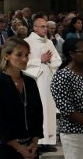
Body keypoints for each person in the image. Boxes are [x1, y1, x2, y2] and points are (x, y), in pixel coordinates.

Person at [24, 16, 62, 152]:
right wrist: (39, 60)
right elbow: (22, 61)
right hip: (36, 80)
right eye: (42, 26)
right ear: (34, 28)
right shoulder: (27, 42)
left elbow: (57, 59)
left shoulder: (49, 42)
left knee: (48, 109)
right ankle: (37, 142)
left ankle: (47, 141)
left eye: (46, 26)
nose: (45, 29)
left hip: (48, 79)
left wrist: (50, 62)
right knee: (37, 109)